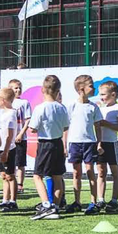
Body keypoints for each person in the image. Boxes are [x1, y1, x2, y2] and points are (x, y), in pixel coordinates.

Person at [28, 75, 71, 220]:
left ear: (43, 89)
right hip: (58, 143)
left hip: (45, 144)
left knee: (37, 175)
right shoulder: (61, 108)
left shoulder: (40, 108)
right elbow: (66, 126)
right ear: (58, 91)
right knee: (57, 176)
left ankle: (46, 205)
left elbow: (33, 128)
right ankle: (56, 207)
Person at [66, 74, 101, 214]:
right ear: (81, 88)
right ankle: (77, 202)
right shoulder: (72, 106)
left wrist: (99, 143)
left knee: (90, 171)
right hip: (74, 143)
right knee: (76, 173)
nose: (94, 89)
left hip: (89, 143)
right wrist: (64, 145)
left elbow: (97, 126)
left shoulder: (93, 107)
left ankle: (93, 202)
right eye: (91, 86)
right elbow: (65, 127)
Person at [95, 79, 118, 214]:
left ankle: (114, 201)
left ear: (113, 94)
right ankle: (100, 199)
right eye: (100, 94)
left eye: (103, 94)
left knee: (115, 173)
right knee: (101, 172)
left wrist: (106, 124)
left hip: (111, 144)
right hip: (100, 143)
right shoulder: (99, 108)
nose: (101, 97)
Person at [0, 86, 21, 212]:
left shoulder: (11, 114)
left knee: (10, 175)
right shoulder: (1, 113)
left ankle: (13, 201)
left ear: (3, 100)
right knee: (4, 175)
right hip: (0, 148)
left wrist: (5, 151)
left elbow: (10, 135)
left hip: (8, 149)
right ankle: (5, 200)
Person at [9, 78, 32, 198]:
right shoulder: (8, 103)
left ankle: (20, 184)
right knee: (10, 163)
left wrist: (21, 133)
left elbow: (27, 120)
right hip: (9, 139)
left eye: (19, 88)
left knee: (20, 162)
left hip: (20, 138)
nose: (18, 90)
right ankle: (11, 183)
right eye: (15, 88)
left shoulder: (24, 103)